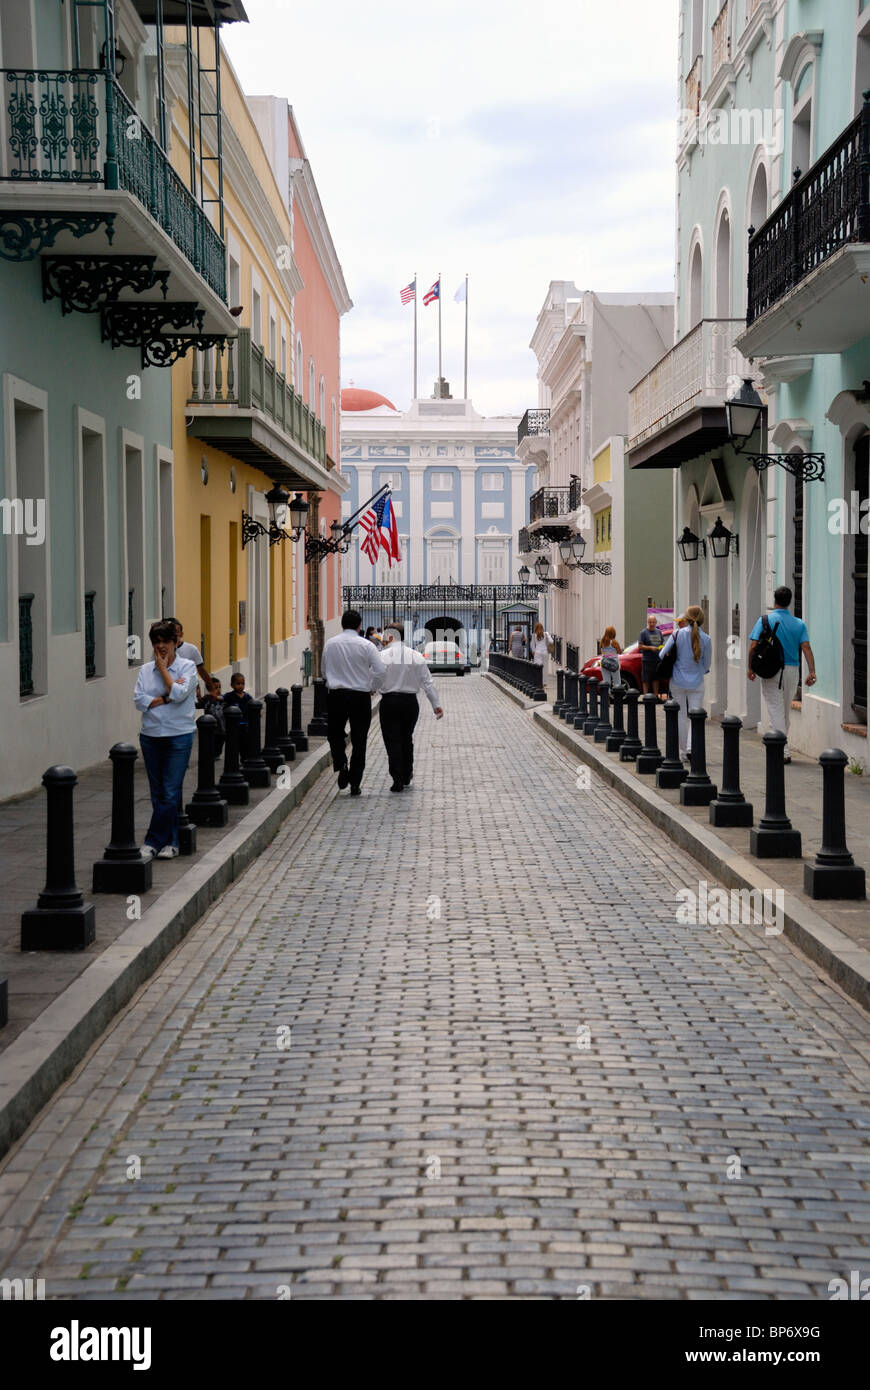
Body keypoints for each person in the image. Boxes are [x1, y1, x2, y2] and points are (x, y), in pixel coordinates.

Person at [133, 620, 198, 861]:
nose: (160, 646)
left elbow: (180, 693)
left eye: (165, 642)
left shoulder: (187, 667)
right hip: (151, 736)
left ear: (175, 643)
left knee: (170, 791)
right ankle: (170, 842)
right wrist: (166, 698)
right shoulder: (144, 670)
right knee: (158, 792)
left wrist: (163, 671)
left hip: (178, 735)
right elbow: (140, 700)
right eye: (156, 642)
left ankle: (152, 841)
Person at [747, 586, 816, 763]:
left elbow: (754, 646)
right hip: (792, 671)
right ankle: (781, 745)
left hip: (771, 671)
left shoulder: (764, 620)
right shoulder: (799, 623)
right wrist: (812, 670)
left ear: (774, 600)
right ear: (790, 602)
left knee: (776, 711)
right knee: (785, 710)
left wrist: (751, 668)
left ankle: (782, 751)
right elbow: (806, 647)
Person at [321, 609, 386, 795]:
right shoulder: (367, 645)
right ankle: (355, 781)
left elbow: (324, 670)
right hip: (360, 696)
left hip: (336, 695)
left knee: (334, 734)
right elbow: (380, 671)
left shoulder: (330, 644)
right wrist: (372, 687)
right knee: (359, 739)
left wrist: (331, 681)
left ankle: (341, 764)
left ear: (342, 624)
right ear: (359, 625)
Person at [378, 623, 444, 791]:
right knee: (406, 737)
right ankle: (407, 772)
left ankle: (397, 777)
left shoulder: (382, 656)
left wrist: (371, 689)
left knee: (392, 740)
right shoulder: (416, 656)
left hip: (389, 702)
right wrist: (436, 705)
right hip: (409, 703)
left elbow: (375, 677)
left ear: (391, 636)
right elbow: (427, 682)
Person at [658, 605, 712, 760]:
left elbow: (661, 655)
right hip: (696, 683)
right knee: (695, 717)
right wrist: (699, 670)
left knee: (680, 716)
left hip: (677, 681)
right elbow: (707, 664)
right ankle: (691, 748)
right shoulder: (706, 639)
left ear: (686, 619)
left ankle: (682, 751)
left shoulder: (677, 634)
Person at [165, 618, 213, 694]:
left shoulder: (191, 649)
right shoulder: (161, 651)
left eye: (176, 632)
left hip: (188, 691)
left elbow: (201, 670)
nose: (174, 635)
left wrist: (211, 689)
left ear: (181, 634)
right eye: (171, 632)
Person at [196, 675, 226, 758]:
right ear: (209, 690)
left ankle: (217, 753)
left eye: (219, 687)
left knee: (220, 741)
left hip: (222, 726)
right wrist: (197, 696)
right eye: (216, 688)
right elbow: (198, 705)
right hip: (210, 727)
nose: (218, 690)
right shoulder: (207, 699)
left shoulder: (223, 699)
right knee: (211, 741)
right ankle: (212, 753)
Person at [637, 613, 666, 696]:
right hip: (647, 660)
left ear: (656, 622)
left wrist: (662, 648)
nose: (652, 624)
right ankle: (646, 696)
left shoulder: (659, 632)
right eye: (650, 622)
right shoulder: (643, 632)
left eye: (653, 622)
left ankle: (656, 695)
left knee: (656, 679)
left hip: (657, 659)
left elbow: (662, 643)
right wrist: (650, 648)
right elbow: (640, 646)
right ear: (648, 622)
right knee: (646, 679)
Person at [222, 671, 253, 737]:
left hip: (245, 723)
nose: (241, 686)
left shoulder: (247, 696)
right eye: (238, 684)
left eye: (243, 684)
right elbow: (222, 698)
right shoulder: (229, 696)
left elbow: (253, 704)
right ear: (232, 685)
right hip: (234, 724)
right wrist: (215, 696)